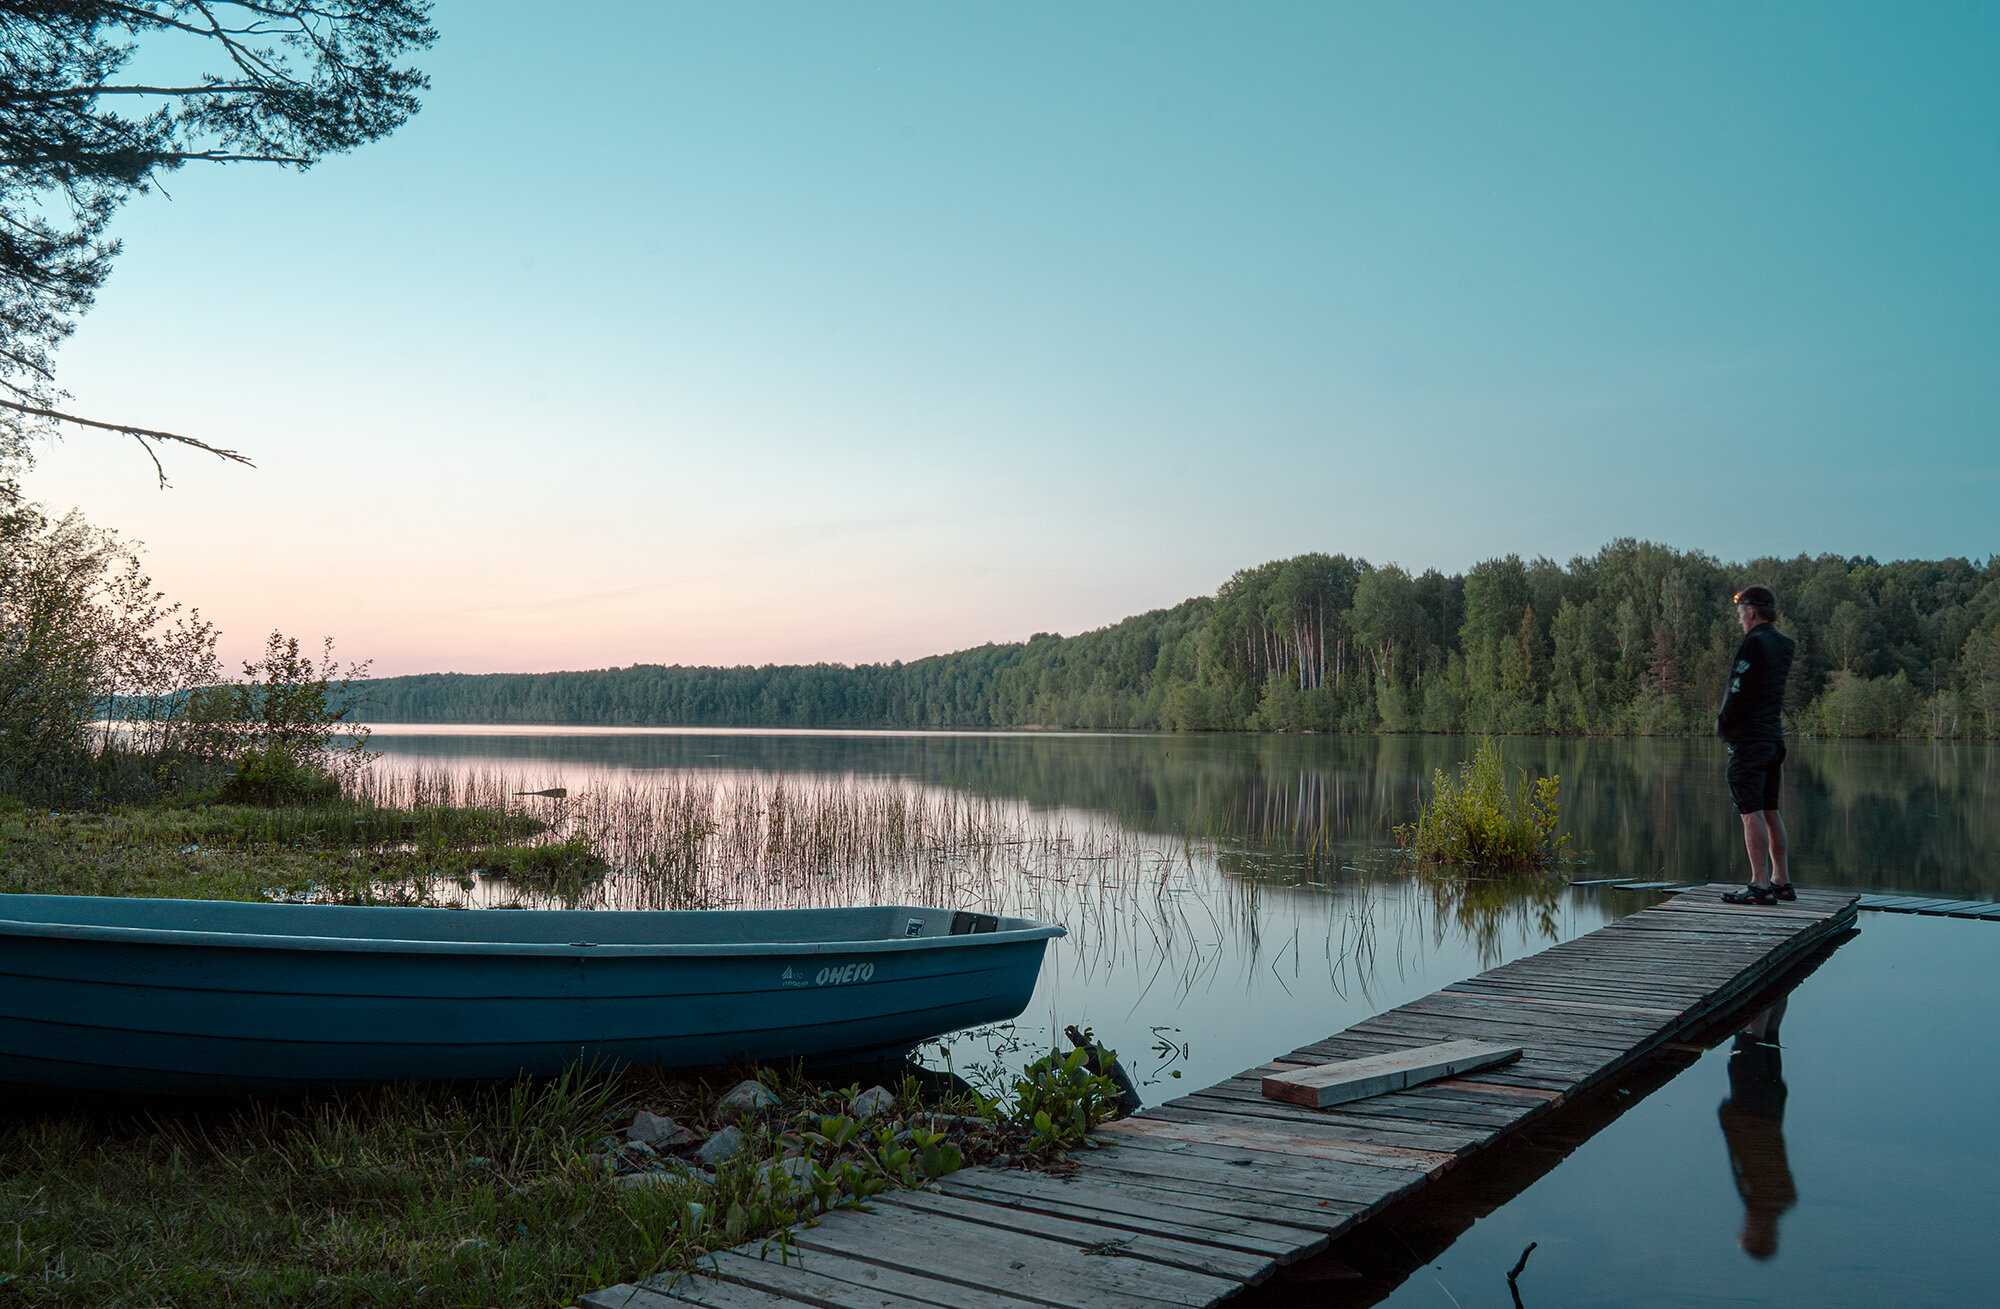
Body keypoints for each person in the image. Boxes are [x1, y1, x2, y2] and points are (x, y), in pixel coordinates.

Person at [1716, 584, 1796, 906]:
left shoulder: (1753, 643)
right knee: (1769, 809)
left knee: (1750, 812)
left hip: (1749, 741)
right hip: (1773, 738)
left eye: (1740, 613)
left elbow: (1738, 689)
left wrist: (1723, 724)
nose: (1739, 619)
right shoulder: (1784, 645)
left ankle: (1760, 885)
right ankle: (1781, 880)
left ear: (1751, 612)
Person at [1716, 997, 1797, 1259]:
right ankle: (1770, 989)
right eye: (1747, 1233)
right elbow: (1742, 1154)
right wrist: (1727, 1121)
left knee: (1770, 1037)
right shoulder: (1759, 1199)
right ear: (1757, 1233)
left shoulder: (1785, 1199)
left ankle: (1776, 989)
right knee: (1749, 1041)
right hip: (1751, 1113)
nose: (1743, 1227)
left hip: (1773, 1108)